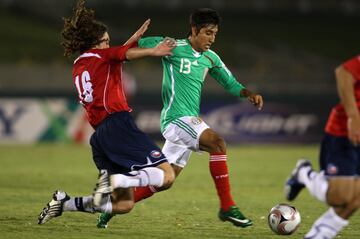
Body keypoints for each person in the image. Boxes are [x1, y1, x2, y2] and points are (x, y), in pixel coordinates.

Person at [98, 8, 264, 228]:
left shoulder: (210, 58)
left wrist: (249, 94)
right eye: (207, 32)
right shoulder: (173, 46)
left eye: (215, 33)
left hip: (187, 123)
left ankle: (114, 206)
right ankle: (227, 207)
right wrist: (129, 46)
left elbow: (230, 83)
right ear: (194, 30)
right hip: (175, 119)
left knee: (165, 181)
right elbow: (131, 50)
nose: (212, 38)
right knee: (218, 144)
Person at [37, 0, 176, 225]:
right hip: (118, 126)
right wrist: (154, 50)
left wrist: (131, 40)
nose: (109, 45)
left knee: (123, 205)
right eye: (106, 41)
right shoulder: (102, 57)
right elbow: (122, 55)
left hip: (100, 138)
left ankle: (64, 203)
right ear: (96, 43)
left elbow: (116, 55)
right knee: (167, 176)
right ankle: (122, 179)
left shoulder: (80, 65)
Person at [285, 55, 360, 238]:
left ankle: (318, 236)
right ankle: (304, 173)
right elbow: (343, 73)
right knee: (339, 197)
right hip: (345, 131)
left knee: (354, 200)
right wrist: (353, 116)